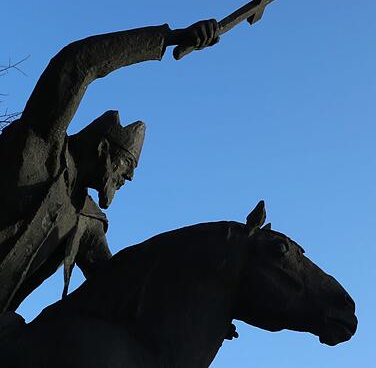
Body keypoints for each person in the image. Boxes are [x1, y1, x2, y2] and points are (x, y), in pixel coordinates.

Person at [0, 19, 219, 313]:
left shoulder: (86, 219)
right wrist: (167, 39)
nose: (128, 177)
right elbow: (78, 63)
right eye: (126, 164)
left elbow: (117, 283)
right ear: (103, 148)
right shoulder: (41, 146)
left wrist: (194, 312)